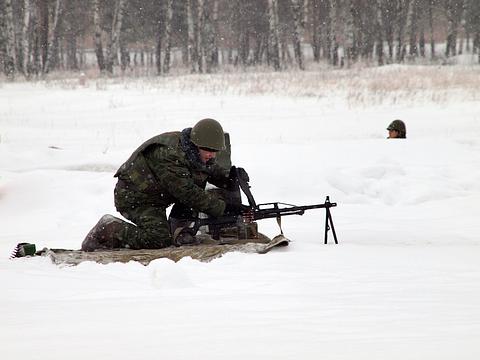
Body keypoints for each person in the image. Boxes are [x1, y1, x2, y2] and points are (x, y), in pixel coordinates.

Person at [81, 118, 245, 251]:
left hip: (158, 195)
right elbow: (187, 193)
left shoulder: (192, 150)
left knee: (197, 182)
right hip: (135, 198)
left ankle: (179, 229)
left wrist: (228, 176)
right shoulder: (169, 155)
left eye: (214, 150)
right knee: (158, 238)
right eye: (208, 150)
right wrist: (225, 208)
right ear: (196, 145)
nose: (211, 154)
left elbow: (204, 168)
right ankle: (109, 228)